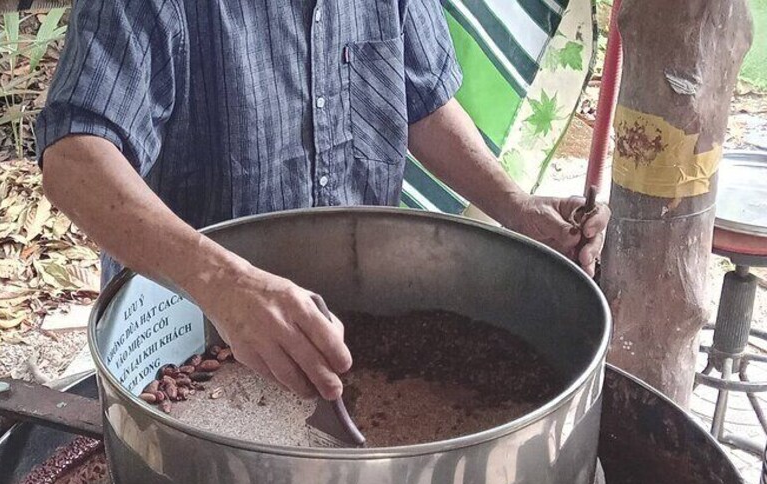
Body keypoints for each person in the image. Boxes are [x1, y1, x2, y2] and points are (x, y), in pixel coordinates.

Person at [37, 0, 610, 403]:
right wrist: (224, 283)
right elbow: (75, 157)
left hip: (352, 327)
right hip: (188, 329)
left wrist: (514, 206)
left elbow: (423, 99)